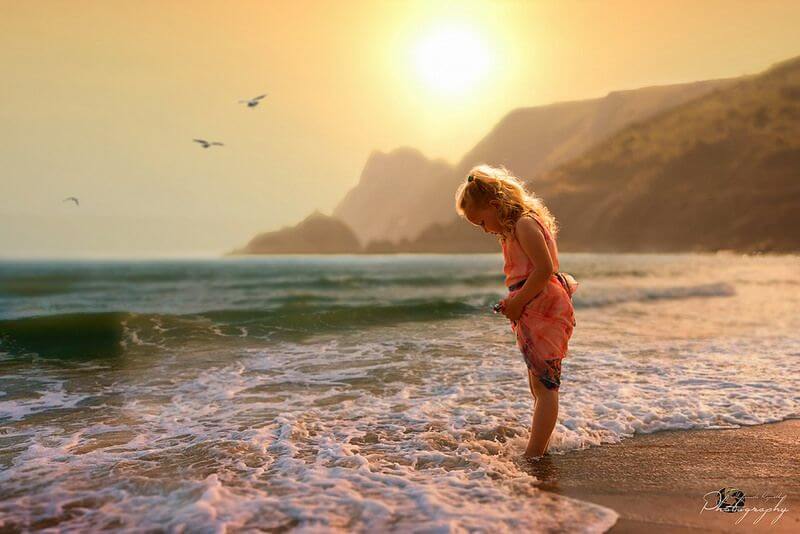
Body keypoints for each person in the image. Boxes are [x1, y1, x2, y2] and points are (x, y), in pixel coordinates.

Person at [454, 164, 578, 459]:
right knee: (538, 381)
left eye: (482, 222)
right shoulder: (514, 230)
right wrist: (513, 302)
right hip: (533, 306)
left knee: (547, 385)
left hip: (544, 307)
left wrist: (519, 301)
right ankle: (539, 444)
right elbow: (525, 275)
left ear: (495, 206)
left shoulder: (524, 223)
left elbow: (545, 269)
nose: (484, 229)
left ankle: (535, 454)